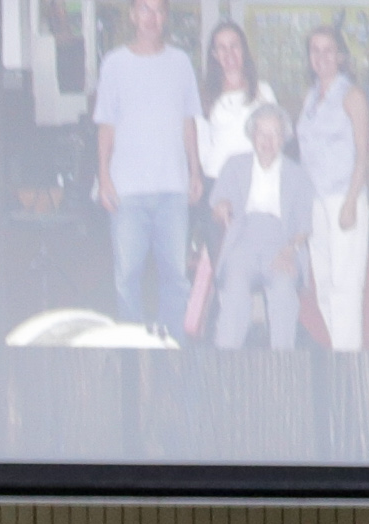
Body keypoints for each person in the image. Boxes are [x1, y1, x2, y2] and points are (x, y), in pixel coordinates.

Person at [90, 0, 202, 328]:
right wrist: (104, 177)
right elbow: (106, 126)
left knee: (176, 279)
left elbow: (188, 122)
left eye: (158, 10)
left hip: (173, 190)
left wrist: (195, 172)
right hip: (127, 192)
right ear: (133, 15)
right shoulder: (114, 64)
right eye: (144, 9)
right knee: (127, 277)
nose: (151, 18)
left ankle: (171, 347)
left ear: (165, 17)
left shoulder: (181, 62)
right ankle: (133, 349)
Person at [297, 26, 369, 352]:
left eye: (328, 50)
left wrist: (351, 201)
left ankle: (348, 359)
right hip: (315, 202)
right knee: (325, 286)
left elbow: (363, 153)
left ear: (340, 55)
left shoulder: (351, 95)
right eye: (315, 50)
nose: (322, 57)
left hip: (344, 197)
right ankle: (338, 349)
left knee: (346, 285)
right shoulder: (311, 97)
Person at [210, 102, 306, 352]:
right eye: (261, 133)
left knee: (285, 293)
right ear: (252, 136)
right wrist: (221, 207)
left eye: (274, 133)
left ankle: (284, 363)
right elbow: (219, 200)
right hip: (243, 239)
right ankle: (226, 357)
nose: (267, 140)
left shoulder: (297, 174)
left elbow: (306, 223)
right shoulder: (235, 165)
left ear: (284, 137)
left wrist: (290, 250)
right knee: (235, 288)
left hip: (281, 243)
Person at [197, 22, 275, 181]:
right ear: (214, 54)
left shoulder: (264, 91)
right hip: (217, 178)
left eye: (234, 46)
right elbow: (201, 144)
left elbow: (276, 138)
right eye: (222, 48)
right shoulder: (205, 95)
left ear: (244, 50)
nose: (229, 53)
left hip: (258, 178)